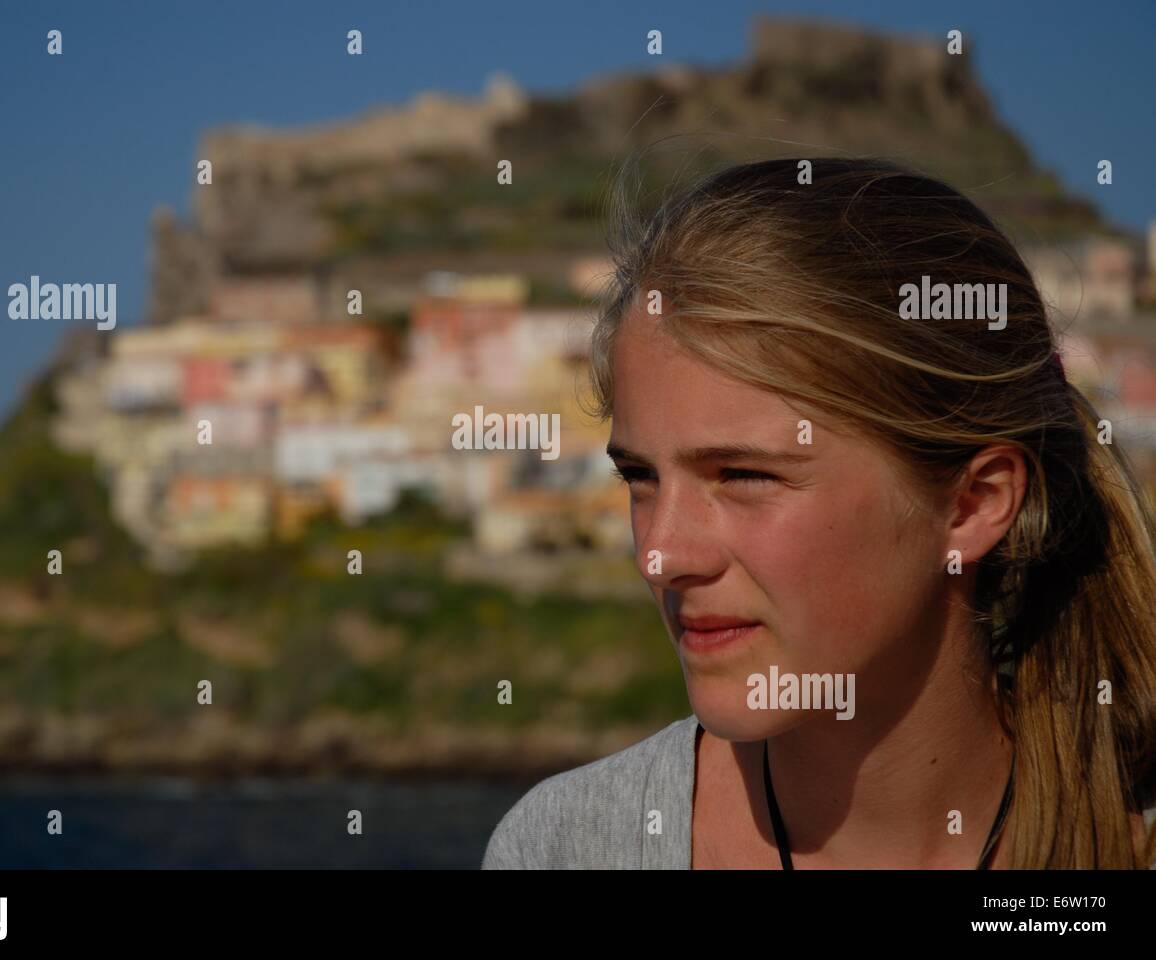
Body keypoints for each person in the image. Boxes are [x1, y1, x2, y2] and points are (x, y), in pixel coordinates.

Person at [481, 156, 1156, 869]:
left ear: (973, 504)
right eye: (639, 476)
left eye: (742, 474)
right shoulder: (564, 848)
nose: (661, 554)